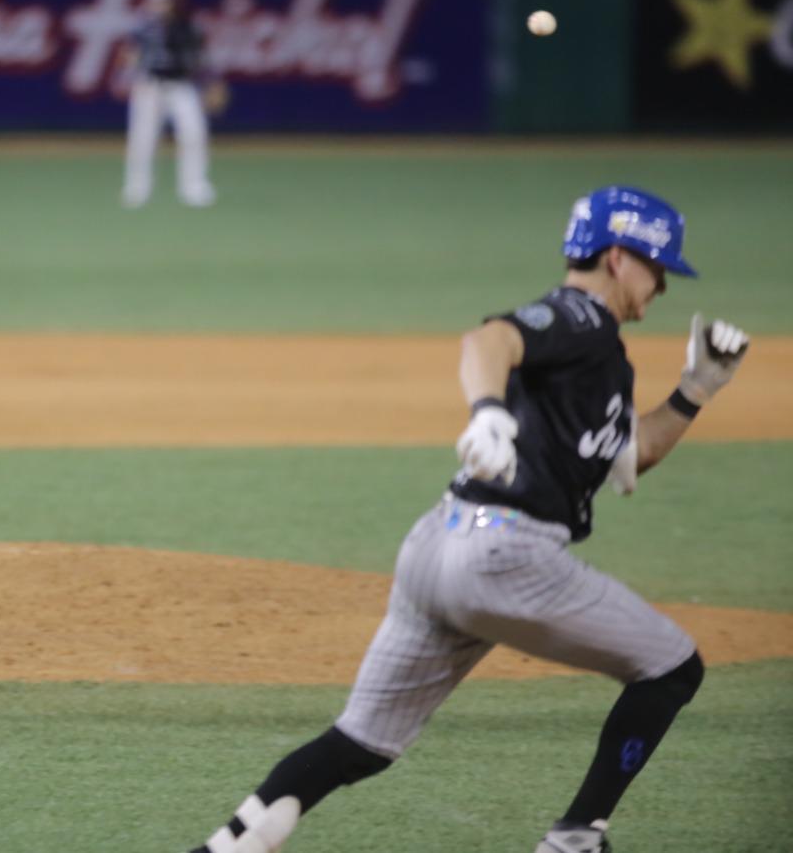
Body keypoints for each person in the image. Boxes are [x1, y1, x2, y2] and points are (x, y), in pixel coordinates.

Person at [186, 185, 750, 853]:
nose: (661, 287)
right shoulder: (580, 318)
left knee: (359, 743)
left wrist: (696, 389)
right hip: (505, 560)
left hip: (436, 548)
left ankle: (224, 848)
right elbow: (490, 339)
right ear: (621, 257)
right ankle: (575, 840)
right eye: (658, 268)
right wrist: (486, 409)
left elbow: (631, 459)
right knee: (673, 669)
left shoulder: (599, 358)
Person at [118, 0, 223, 209]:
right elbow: (128, 55)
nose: (159, 4)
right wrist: (129, 71)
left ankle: (194, 187)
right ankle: (137, 188)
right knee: (142, 139)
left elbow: (199, 59)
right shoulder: (142, 26)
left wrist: (211, 84)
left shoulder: (188, 26)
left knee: (193, 134)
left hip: (180, 86)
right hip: (150, 86)